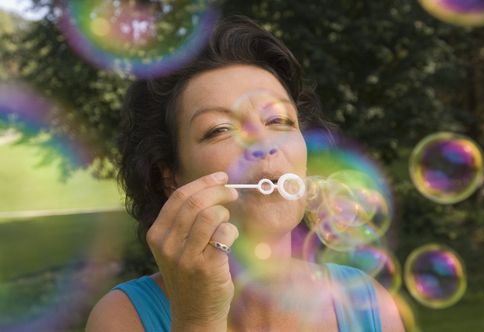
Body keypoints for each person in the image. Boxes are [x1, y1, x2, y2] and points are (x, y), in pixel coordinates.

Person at [86, 15, 404, 332]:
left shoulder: (371, 304)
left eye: (279, 121)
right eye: (219, 129)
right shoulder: (122, 319)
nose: (263, 144)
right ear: (171, 177)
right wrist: (198, 319)